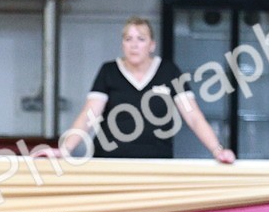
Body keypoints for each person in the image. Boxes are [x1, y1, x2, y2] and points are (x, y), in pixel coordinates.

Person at [56, 17, 236, 162]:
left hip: (156, 164)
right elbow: (89, 115)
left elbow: (193, 116)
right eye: (128, 39)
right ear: (123, 44)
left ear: (152, 45)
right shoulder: (108, 71)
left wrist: (217, 150)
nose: (134, 45)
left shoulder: (169, 71)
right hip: (110, 162)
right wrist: (65, 149)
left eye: (141, 39)